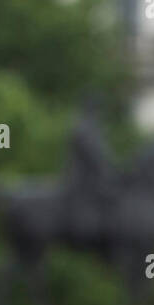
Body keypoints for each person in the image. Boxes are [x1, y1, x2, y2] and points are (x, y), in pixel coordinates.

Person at [65, 92, 120, 242]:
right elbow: (96, 158)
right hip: (83, 181)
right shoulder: (85, 129)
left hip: (90, 179)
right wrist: (111, 172)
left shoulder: (92, 129)